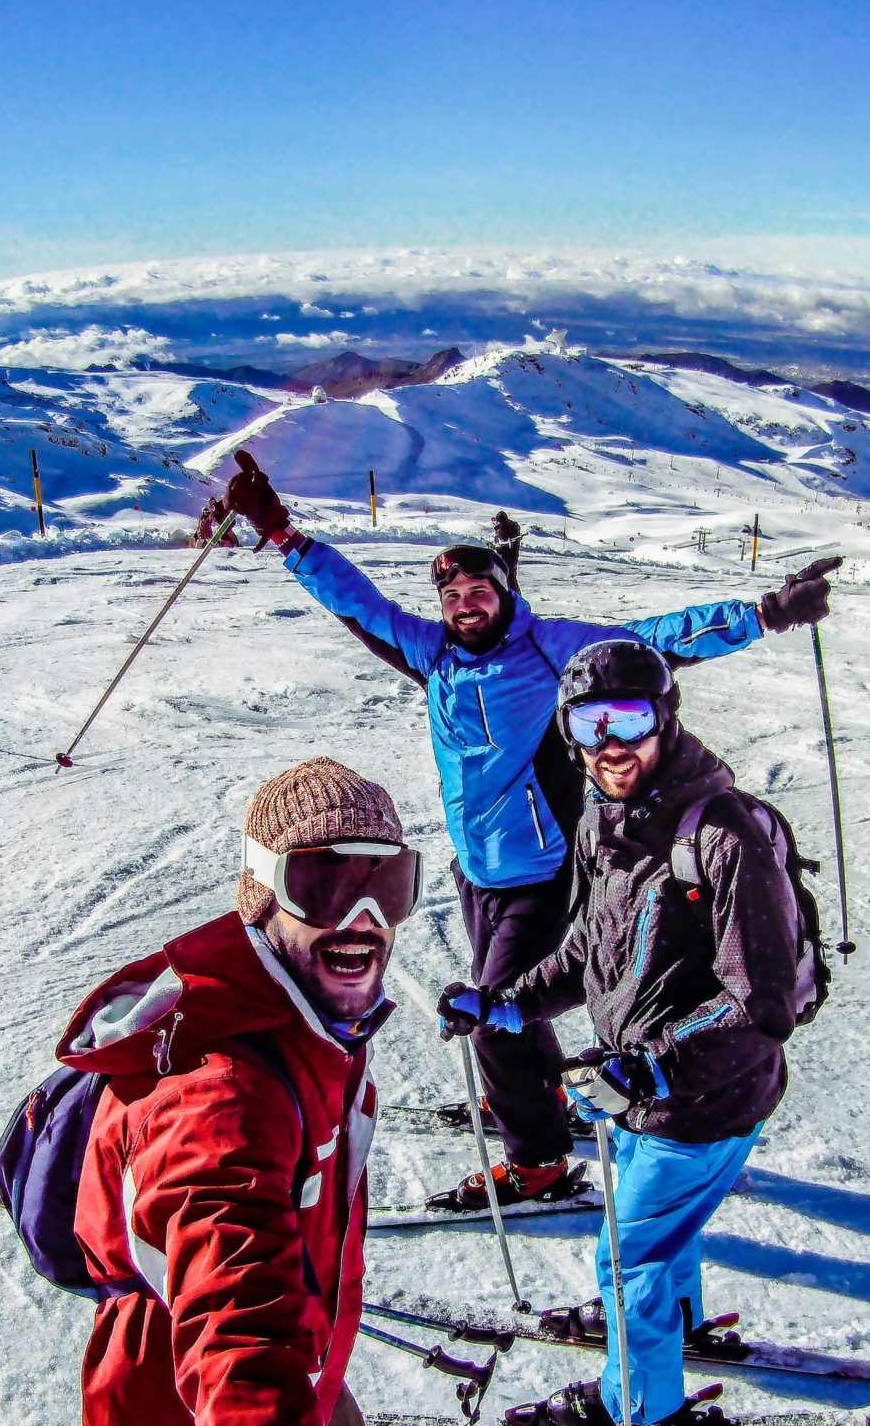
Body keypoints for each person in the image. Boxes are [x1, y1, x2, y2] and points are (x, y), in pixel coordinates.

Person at [210, 449, 835, 1211]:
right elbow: (360, 604)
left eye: (480, 590)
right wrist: (283, 535)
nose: (467, 605)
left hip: (544, 870)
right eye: (454, 595)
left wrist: (764, 614)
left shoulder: (548, 650)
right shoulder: (434, 656)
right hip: (479, 873)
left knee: (493, 1017)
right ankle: (533, 1100)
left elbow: (653, 641)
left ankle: (538, 1159)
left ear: (505, 592)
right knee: (507, 1011)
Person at [54, 757, 474, 1426]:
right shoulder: (224, 1090)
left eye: (390, 883)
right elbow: (230, 1312)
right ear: (261, 893)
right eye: (323, 882)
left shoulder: (308, 1016)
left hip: (295, 1369)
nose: (363, 916)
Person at [439, 639, 805, 1426]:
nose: (610, 742)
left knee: (624, 1255)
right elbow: (588, 955)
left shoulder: (722, 835)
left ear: (664, 718)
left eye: (629, 718)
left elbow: (763, 1003)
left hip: (701, 1102)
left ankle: (641, 1404)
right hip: (647, 1097)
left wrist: (654, 1073)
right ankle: (680, 1322)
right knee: (659, 1235)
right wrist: (501, 1003)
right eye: (588, 721)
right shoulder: (609, 821)